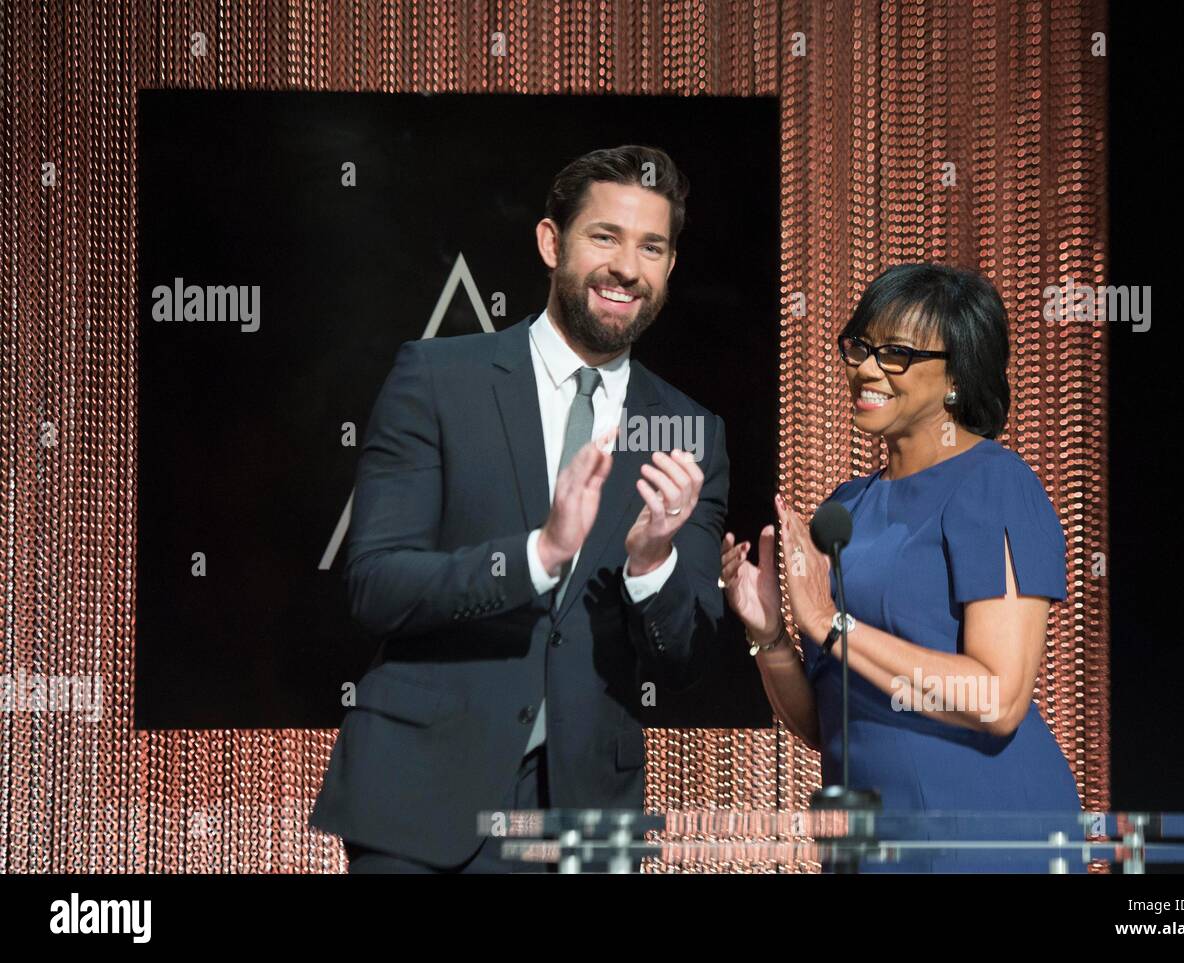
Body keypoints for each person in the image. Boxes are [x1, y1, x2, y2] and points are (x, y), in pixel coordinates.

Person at [310, 145, 729, 873]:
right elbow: (376, 586)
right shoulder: (439, 378)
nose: (627, 266)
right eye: (605, 236)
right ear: (550, 242)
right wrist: (537, 555)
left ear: (669, 268)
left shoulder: (692, 431)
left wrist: (651, 563)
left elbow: (687, 655)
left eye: (651, 246)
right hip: (419, 799)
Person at [721, 263, 1083, 873]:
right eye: (861, 346)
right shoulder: (844, 507)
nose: (865, 368)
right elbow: (826, 724)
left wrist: (832, 625)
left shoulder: (996, 483)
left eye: (896, 353)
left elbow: (997, 700)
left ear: (957, 376)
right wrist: (771, 634)